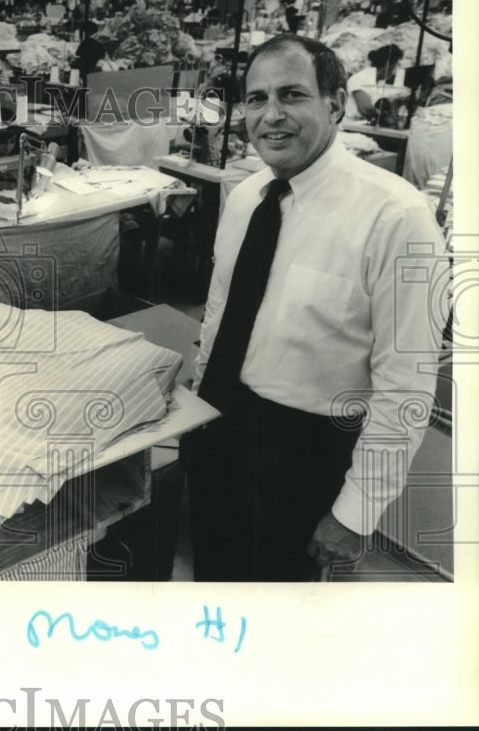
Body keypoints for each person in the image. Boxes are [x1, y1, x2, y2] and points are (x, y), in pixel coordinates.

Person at [180, 33, 445, 581]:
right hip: (219, 427)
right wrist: (197, 410)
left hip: (305, 452)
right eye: (256, 99)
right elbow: (220, 309)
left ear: (336, 103)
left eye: (292, 95)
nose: (270, 116)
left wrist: (356, 511)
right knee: (215, 579)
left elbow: (407, 383)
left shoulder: (396, 217)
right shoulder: (248, 196)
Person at [346, 43, 404, 121]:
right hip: (351, 126)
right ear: (387, 65)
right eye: (395, 66)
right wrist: (388, 111)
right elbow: (366, 110)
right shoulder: (360, 78)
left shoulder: (379, 82)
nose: (395, 71)